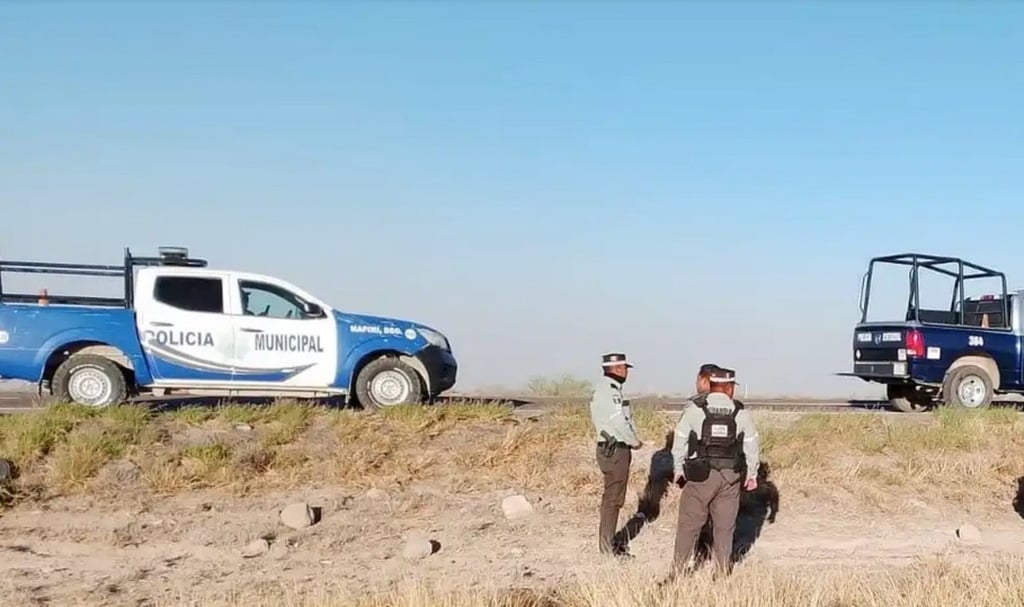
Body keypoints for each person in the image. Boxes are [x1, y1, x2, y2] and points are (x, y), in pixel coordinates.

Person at [669, 364, 759, 576]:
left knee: (688, 525)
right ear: (729, 388)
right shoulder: (741, 413)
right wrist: (752, 475)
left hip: (700, 477)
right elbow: (752, 447)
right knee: (724, 528)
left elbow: (679, 443)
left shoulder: (694, 410)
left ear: (712, 385)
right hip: (730, 478)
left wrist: (678, 470)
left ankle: (678, 571)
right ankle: (721, 572)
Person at [589, 351, 642, 556]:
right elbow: (619, 421)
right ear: (618, 369)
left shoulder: (607, 389)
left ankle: (607, 543)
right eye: (625, 368)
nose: (626, 372)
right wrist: (634, 441)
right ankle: (607, 547)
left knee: (612, 496)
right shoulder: (610, 391)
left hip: (610, 447)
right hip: (615, 449)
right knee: (613, 498)